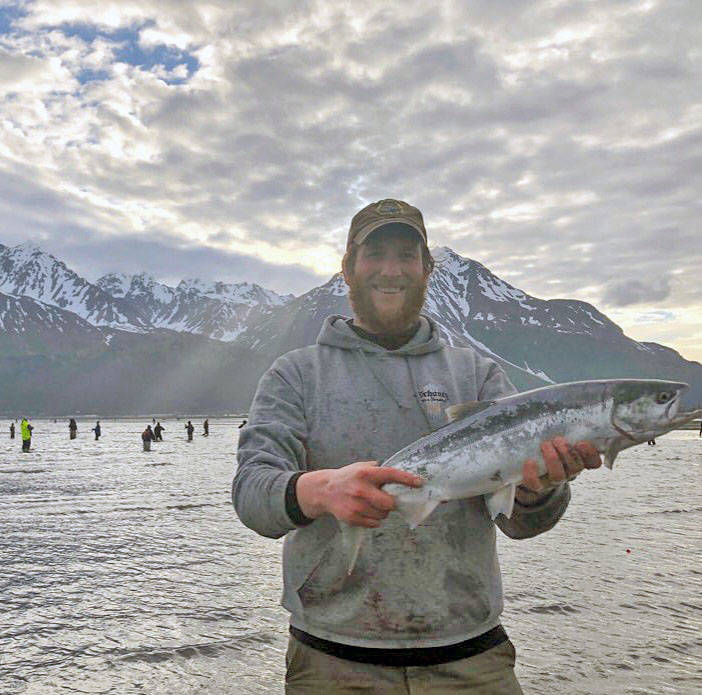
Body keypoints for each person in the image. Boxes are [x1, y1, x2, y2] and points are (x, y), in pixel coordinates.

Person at [232, 199, 602, 694]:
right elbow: (252, 495)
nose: (391, 270)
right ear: (347, 268)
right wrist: (320, 490)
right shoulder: (295, 375)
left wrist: (542, 489)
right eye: (375, 254)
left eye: (407, 256)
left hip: (472, 663)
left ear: (428, 269)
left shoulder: (478, 375)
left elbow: (524, 522)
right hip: (333, 665)